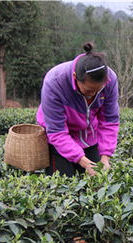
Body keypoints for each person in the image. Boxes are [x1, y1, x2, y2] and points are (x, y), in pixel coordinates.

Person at [36, 42, 119, 177]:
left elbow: (109, 121)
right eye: (88, 90)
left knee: (96, 182)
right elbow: (57, 131)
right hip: (59, 139)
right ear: (75, 77)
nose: (92, 94)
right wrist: (82, 160)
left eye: (98, 90)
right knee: (62, 184)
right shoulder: (54, 82)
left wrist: (105, 157)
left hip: (89, 135)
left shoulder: (111, 80)